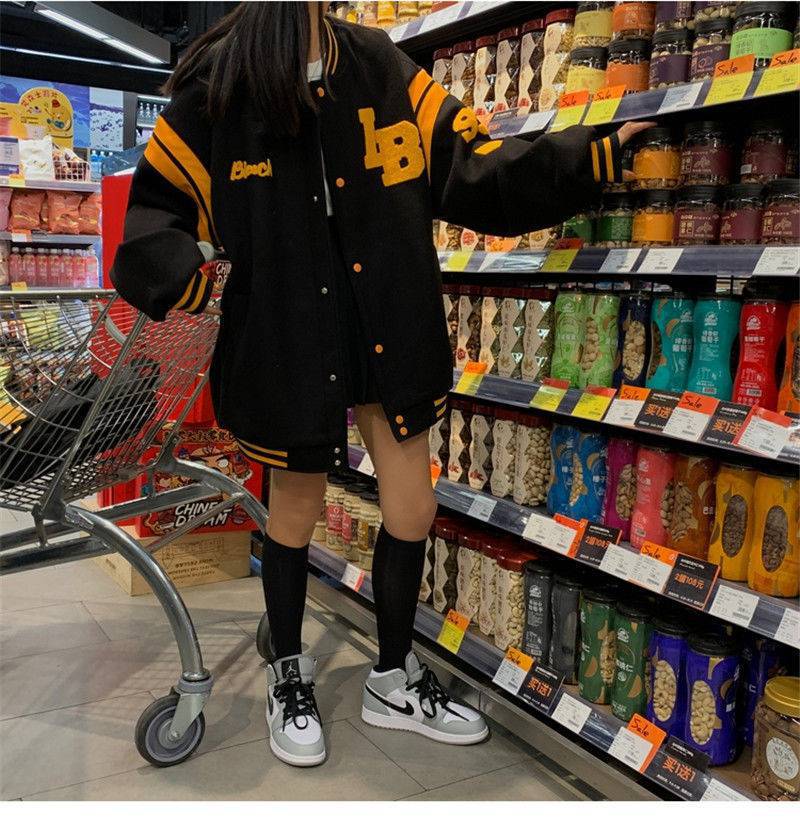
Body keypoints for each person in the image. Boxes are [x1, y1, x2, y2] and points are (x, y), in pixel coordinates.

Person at [111, 1, 650, 768]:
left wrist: (586, 157)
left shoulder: (379, 66)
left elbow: (474, 168)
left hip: (387, 320)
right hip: (288, 337)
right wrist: (198, 282)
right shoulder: (220, 88)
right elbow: (153, 218)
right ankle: (288, 674)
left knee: (412, 504)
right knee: (293, 509)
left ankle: (392, 677)